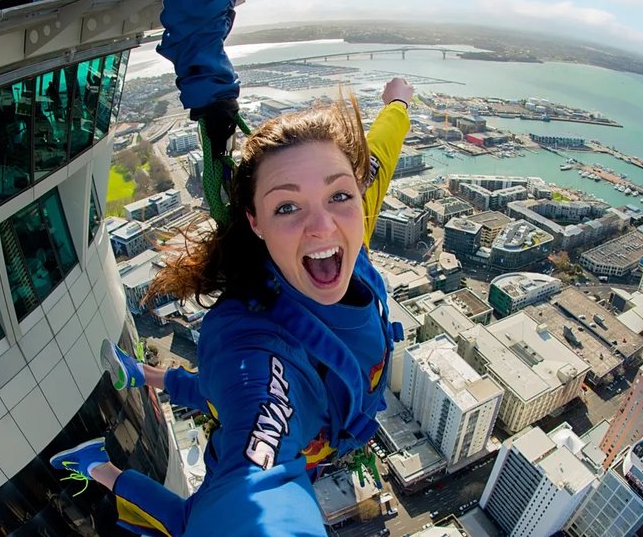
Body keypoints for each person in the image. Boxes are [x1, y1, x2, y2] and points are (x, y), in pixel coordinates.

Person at [50, 81, 413, 536]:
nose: (323, 226)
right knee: (188, 519)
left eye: (339, 195)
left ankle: (138, 374)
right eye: (287, 207)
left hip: (302, 425)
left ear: (357, 195)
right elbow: (253, 485)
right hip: (280, 429)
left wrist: (398, 104)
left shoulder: (352, 231)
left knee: (212, 398)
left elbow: (379, 153)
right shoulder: (255, 346)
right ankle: (96, 465)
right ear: (255, 222)